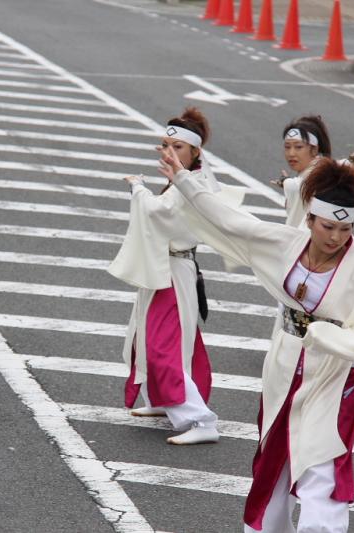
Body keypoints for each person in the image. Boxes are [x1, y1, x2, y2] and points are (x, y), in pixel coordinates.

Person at [161, 153, 354, 532]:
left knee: (323, 461)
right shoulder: (285, 242)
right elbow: (230, 220)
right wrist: (184, 179)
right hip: (283, 364)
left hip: (332, 375)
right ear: (309, 218)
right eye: (328, 226)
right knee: (273, 460)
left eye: (345, 231)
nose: (336, 238)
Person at [108, 107, 245, 445]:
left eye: (177, 146)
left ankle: (199, 419)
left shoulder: (190, 182)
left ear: (195, 151)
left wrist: (138, 188)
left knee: (161, 345)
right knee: (160, 339)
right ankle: (165, 402)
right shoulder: (187, 177)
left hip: (173, 272)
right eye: (165, 145)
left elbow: (159, 213)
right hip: (168, 268)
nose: (169, 152)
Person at [271, 116, 354, 228]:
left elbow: (302, 184)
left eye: (298, 147)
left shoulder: (321, 171)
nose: (291, 153)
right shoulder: (315, 170)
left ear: (314, 149)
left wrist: (286, 181)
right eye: (287, 147)